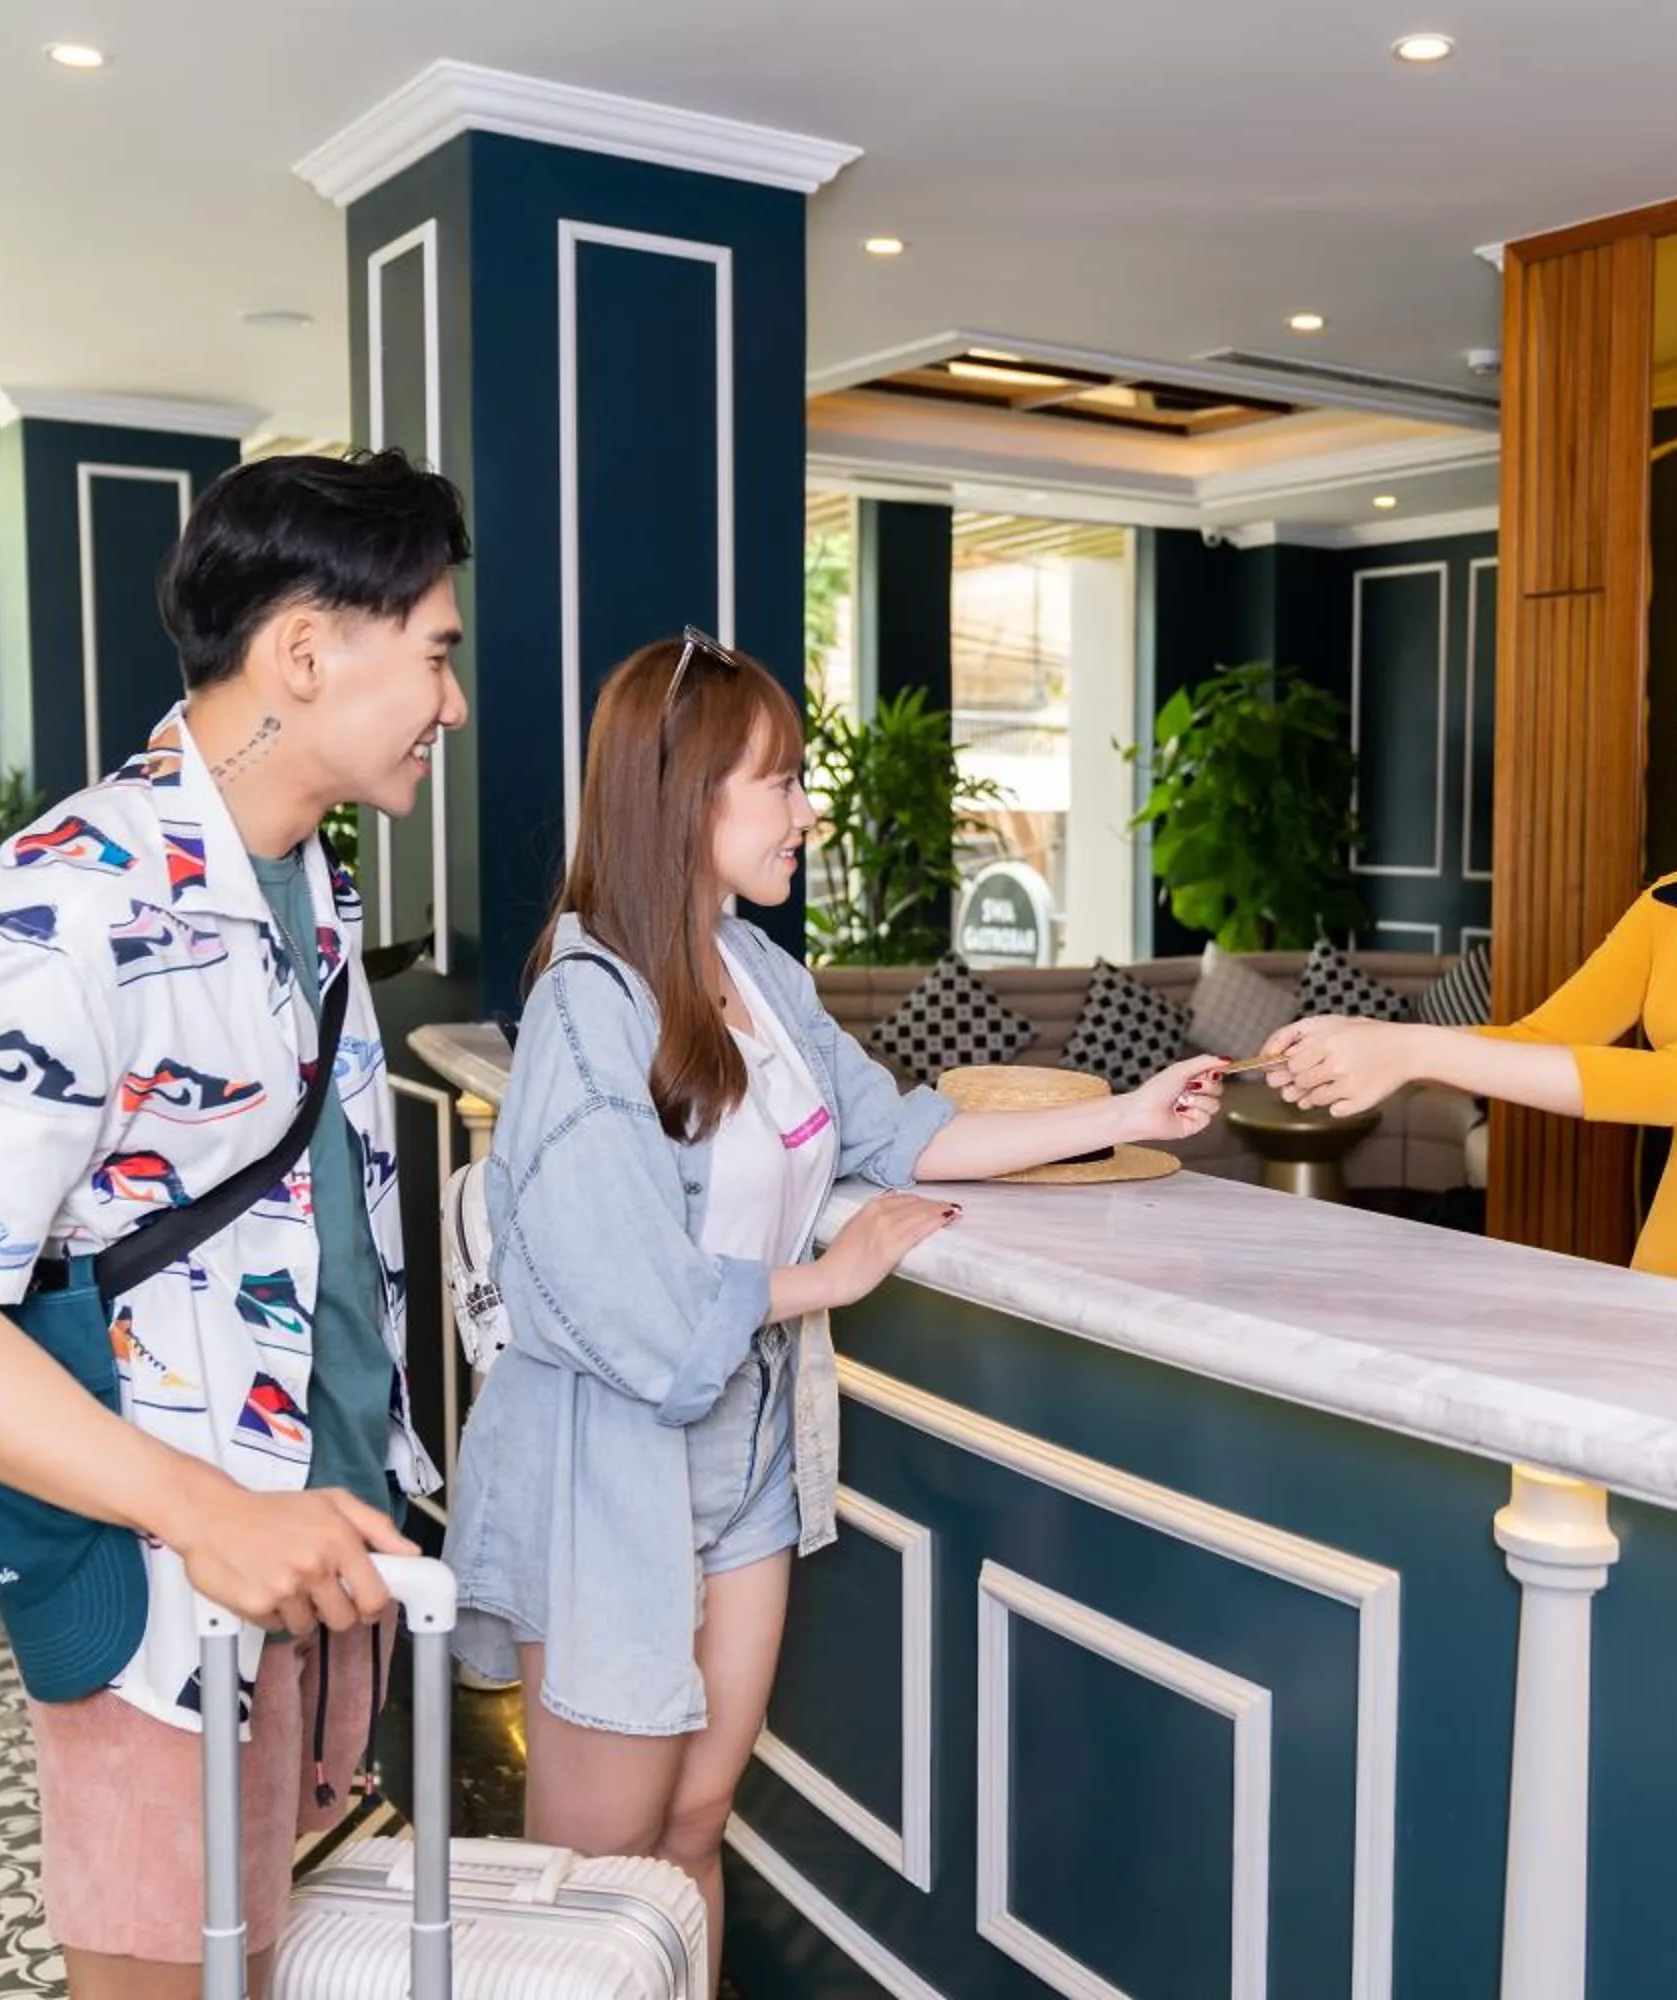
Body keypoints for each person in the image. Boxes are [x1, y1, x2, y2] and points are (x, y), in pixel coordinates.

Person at [449, 630, 1222, 1988]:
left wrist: (1129, 1111)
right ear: (687, 797)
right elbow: (617, 1290)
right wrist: (825, 1277)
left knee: (693, 1826)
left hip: (744, 1452)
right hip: (610, 1465)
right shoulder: (587, 1005)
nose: (809, 810)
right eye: (783, 781)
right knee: (593, 1869)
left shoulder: (754, 974)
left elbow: (899, 1133)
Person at [0, 449, 471, 1999]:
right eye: (436, 654)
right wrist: (208, 1511)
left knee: (250, 1952)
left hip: (291, 1535)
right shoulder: (70, 903)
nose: (452, 704)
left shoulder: (299, 870)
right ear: (307, 655)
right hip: (174, 1559)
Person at [1267, 593, 1677, 1308]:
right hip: (1668, 1265)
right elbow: (1538, 1040)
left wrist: (1413, 1052)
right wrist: (1376, 1040)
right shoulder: (1676, 901)